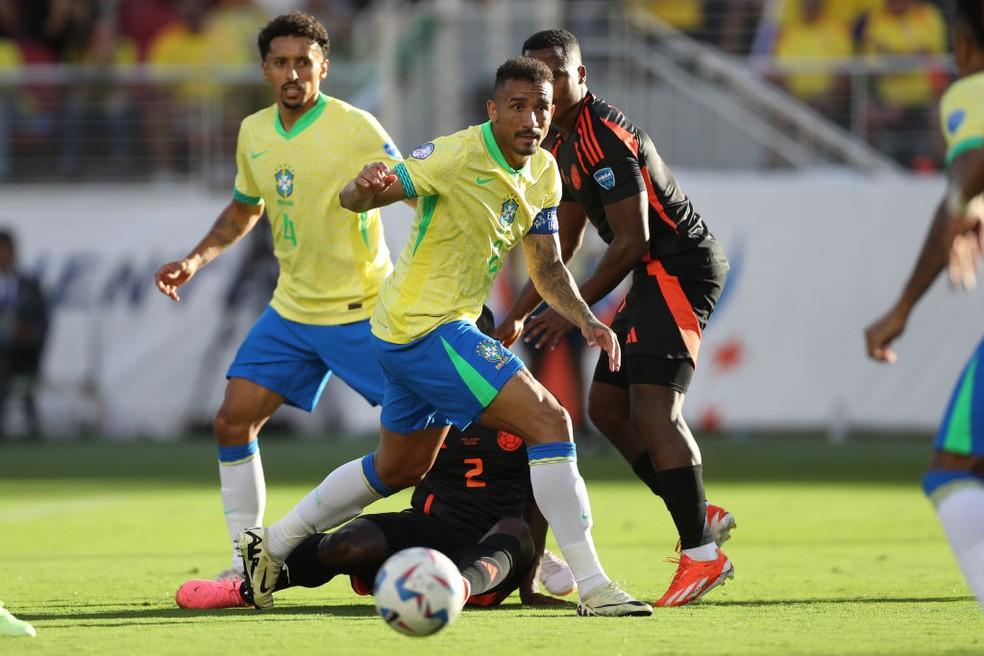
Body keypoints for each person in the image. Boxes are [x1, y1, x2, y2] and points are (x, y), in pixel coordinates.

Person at [237, 56, 651, 617]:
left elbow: (548, 267)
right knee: (551, 422)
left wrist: (585, 317)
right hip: (425, 325)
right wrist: (364, 188)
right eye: (518, 107)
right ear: (493, 111)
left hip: (404, 330)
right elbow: (364, 197)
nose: (531, 119)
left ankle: (274, 546)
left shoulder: (545, 173)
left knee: (398, 468)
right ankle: (595, 585)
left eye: (543, 108)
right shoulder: (456, 154)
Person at [154, 12, 401, 581]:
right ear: (265, 69)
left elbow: (416, 189)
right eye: (281, 62)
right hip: (291, 311)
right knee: (231, 422)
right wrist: (194, 260)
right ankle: (248, 562)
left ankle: (506, 535)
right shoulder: (254, 132)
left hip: (363, 311)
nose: (293, 73)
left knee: (435, 436)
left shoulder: (356, 126)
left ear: (323, 67)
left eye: (304, 63)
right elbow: (246, 209)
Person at [493, 29, 734, 607]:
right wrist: (520, 313)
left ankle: (701, 553)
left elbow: (631, 243)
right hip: (656, 274)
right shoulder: (562, 143)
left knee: (654, 409)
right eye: (539, 74)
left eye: (560, 72)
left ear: (583, 75)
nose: (550, 83)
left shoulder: (599, 136)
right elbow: (562, 247)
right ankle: (698, 513)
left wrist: (570, 311)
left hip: (677, 268)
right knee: (605, 407)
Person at [176, 310, 572, 610]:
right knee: (347, 545)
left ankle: (453, 589)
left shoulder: (522, 412)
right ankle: (247, 587)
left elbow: (538, 501)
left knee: (512, 527)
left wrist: (529, 586)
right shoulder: (424, 401)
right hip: (431, 529)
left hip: (493, 548)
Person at [864, 0, 984, 609]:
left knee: (955, 470)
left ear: (963, 46)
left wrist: (903, 308)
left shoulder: (972, 92)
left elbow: (968, 171)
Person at [0, 229, 48, 439]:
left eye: (4, 249)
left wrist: (28, 335)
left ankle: (31, 430)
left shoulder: (29, 285)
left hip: (23, 360)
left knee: (21, 386)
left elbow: (43, 323)